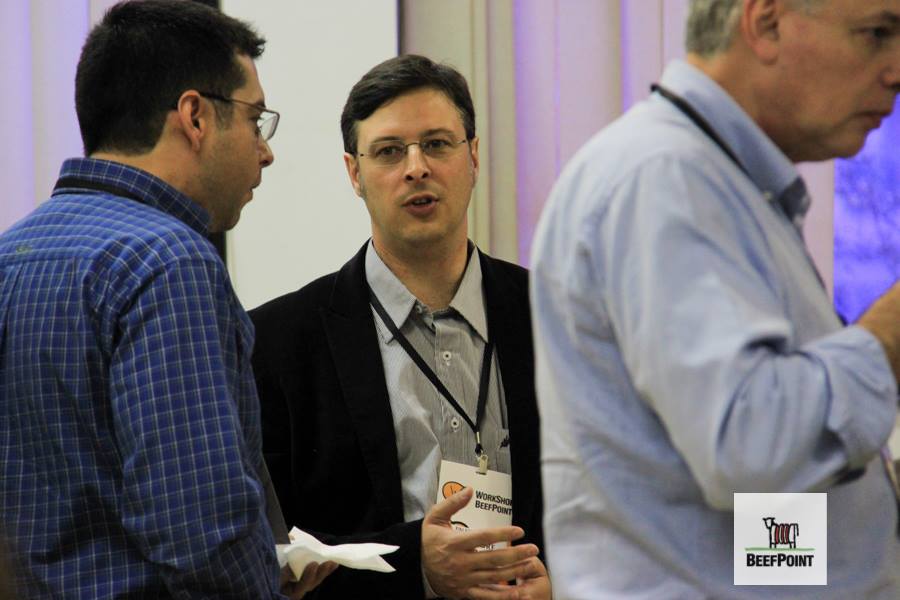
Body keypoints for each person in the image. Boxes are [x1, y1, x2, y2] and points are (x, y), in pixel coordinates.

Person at [530, 0, 900, 597]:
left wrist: (868, 529)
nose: (896, 70)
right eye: (876, 33)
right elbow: (749, 451)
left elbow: (741, 524)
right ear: (767, 23)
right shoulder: (667, 178)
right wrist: (890, 334)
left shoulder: (716, 180)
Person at [0, 1, 333, 597]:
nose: (266, 151)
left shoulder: (9, 254)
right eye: (256, 119)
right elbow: (202, 530)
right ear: (195, 117)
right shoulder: (168, 262)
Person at [250, 54, 551, 599]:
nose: (416, 168)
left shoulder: (552, 316)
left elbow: (608, 500)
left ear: (473, 157)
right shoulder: (277, 344)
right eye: (390, 151)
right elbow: (271, 553)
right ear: (354, 173)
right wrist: (417, 565)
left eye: (436, 144)